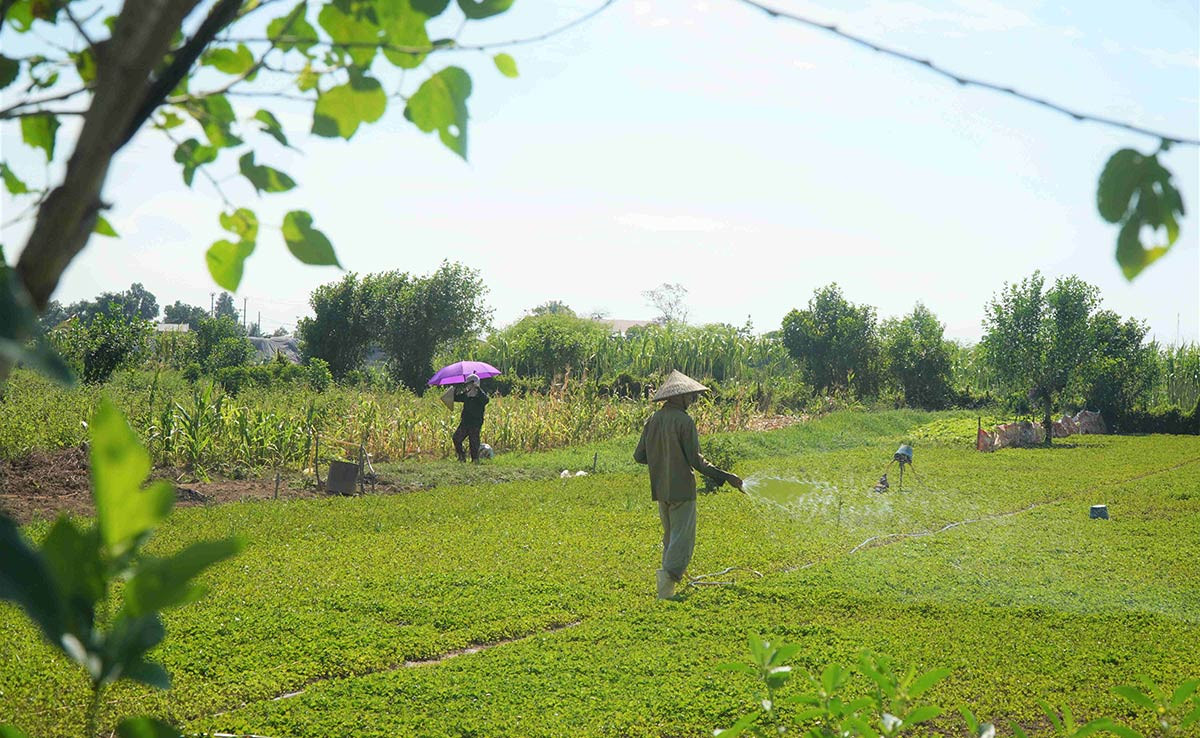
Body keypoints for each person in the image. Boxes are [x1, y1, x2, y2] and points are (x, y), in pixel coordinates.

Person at [634, 370, 743, 600]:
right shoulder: (684, 421)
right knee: (681, 540)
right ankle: (666, 589)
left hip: (660, 489)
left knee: (670, 537)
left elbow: (639, 456)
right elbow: (696, 460)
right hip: (682, 488)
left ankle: (666, 586)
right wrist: (725, 476)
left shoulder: (653, 420)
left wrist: (661, 457)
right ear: (679, 397)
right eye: (690, 396)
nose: (692, 400)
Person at [453, 373, 489, 463]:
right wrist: (456, 387)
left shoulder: (480, 395)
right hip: (465, 421)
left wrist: (477, 388)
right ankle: (461, 456)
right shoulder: (467, 395)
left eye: (468, 383)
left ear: (474, 383)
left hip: (475, 422)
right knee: (456, 438)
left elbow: (486, 400)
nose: (467, 385)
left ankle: (475, 460)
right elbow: (455, 397)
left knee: (474, 442)